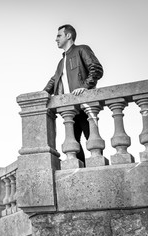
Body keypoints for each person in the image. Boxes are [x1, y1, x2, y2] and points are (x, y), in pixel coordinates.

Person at [43, 24, 103, 165]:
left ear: (68, 35)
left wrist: (85, 86)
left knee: (92, 138)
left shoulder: (82, 49)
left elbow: (96, 69)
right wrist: (42, 94)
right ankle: (82, 168)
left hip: (85, 104)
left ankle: (97, 166)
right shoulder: (61, 62)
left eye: (59, 35)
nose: (56, 39)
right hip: (69, 108)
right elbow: (54, 81)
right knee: (74, 142)